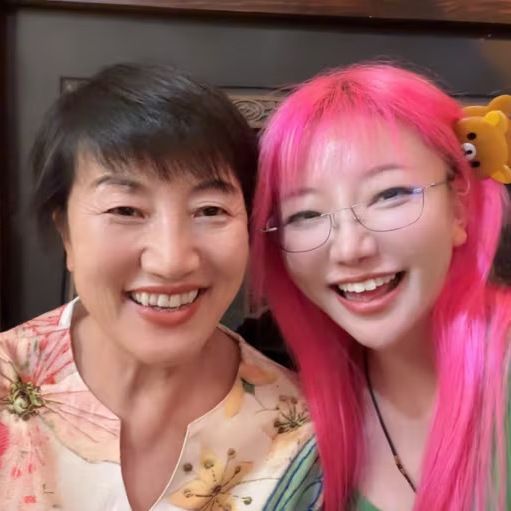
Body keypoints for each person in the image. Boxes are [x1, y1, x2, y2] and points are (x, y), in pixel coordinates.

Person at [0, 63, 321, 511]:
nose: (172, 261)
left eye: (209, 210)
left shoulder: (303, 432)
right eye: (126, 210)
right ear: (67, 235)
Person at [251, 63, 511, 511]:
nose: (350, 248)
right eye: (306, 215)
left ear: (459, 210)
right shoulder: (290, 418)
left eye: (389, 195)